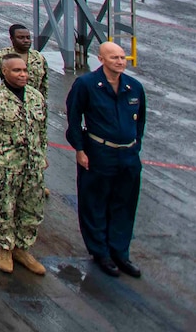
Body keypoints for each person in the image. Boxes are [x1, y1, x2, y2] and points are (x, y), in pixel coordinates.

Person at [65, 40, 146, 278]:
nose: (120, 62)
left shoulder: (134, 87)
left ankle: (120, 252)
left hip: (128, 156)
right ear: (101, 59)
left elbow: (139, 121)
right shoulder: (86, 85)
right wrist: (80, 149)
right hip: (99, 153)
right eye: (114, 58)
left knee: (124, 205)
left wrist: (135, 147)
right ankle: (100, 252)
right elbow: (73, 120)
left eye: (122, 58)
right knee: (95, 203)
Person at [0, 52, 48, 276]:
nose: (23, 74)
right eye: (16, 71)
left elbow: (42, 128)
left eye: (24, 70)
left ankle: (22, 248)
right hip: (6, 163)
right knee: (5, 206)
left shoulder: (35, 96)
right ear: (4, 72)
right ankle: (5, 247)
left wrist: (42, 154)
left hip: (32, 164)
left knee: (32, 207)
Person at [0, 24, 49, 99]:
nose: (26, 40)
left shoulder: (38, 57)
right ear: (12, 39)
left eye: (28, 37)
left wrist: (42, 101)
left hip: (33, 103)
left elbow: (44, 83)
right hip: (9, 103)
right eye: (21, 38)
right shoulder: (1, 56)